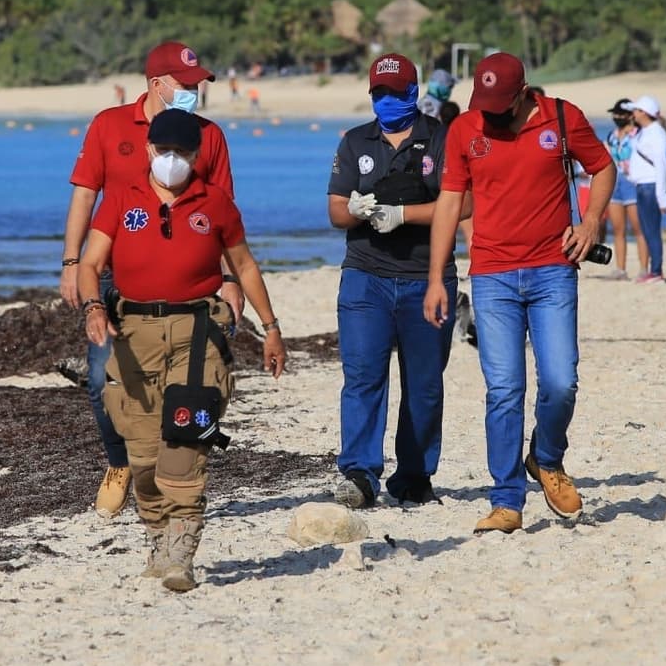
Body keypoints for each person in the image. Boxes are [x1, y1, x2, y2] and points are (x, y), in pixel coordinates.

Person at [77, 109, 286, 591]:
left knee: (184, 444)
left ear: (196, 156)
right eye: (164, 150)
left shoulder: (215, 203)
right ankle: (157, 535)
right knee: (145, 457)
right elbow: (91, 263)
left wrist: (271, 328)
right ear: (149, 149)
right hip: (134, 335)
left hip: (197, 333)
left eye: (183, 153)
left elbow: (246, 267)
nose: (172, 160)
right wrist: (93, 307)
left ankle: (182, 551)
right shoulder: (120, 201)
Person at [422, 52, 616, 533]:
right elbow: (450, 203)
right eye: (481, 102)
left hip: (554, 271)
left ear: (524, 92)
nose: (487, 113)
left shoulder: (561, 117)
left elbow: (604, 167)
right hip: (492, 276)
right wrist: (435, 278)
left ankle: (546, 458)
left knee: (560, 381)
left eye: (497, 104)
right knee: (504, 390)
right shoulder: (465, 128)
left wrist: (590, 221)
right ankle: (507, 500)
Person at [59, 40, 241, 522]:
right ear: (157, 84)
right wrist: (71, 263)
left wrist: (229, 278)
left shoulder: (210, 136)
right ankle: (120, 463)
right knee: (103, 379)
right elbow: (84, 195)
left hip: (189, 286)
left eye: (198, 85)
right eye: (186, 85)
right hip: (114, 273)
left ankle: (170, 476)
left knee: (183, 386)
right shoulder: (109, 125)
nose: (194, 93)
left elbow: (222, 214)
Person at [327, 52, 459, 509]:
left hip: (428, 276)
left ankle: (415, 475)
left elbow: (462, 205)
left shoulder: (442, 140)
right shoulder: (354, 142)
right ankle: (360, 474)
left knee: (424, 383)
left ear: (413, 92)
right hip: (365, 277)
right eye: (378, 93)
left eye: (394, 92)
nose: (386, 100)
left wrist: (402, 215)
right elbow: (335, 210)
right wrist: (357, 211)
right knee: (362, 377)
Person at [603, 98, 647, 279]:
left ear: (630, 115)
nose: (617, 117)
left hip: (632, 182)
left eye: (620, 114)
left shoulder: (639, 135)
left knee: (639, 229)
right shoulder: (612, 136)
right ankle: (620, 269)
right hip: (615, 182)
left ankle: (644, 268)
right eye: (615, 114)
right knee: (618, 229)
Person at [628, 95, 666, 283]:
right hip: (642, 185)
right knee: (646, 229)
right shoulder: (643, 132)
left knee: (652, 230)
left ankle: (657, 271)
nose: (633, 114)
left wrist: (662, 197)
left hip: (650, 186)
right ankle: (654, 270)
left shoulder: (656, 133)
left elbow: (662, 165)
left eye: (636, 110)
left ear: (644, 113)